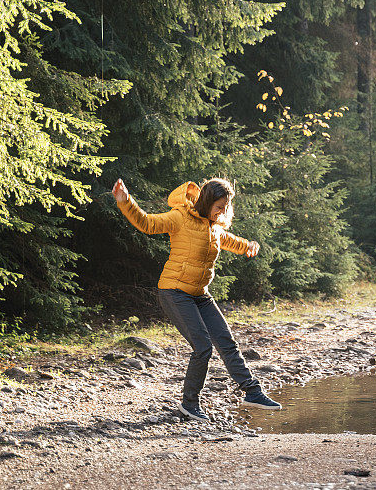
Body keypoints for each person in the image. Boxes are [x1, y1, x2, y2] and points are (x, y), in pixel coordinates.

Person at [112, 177, 281, 421]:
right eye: (219, 206)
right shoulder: (180, 217)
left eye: (226, 207)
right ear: (207, 201)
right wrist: (125, 201)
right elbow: (147, 223)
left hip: (200, 294)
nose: (222, 212)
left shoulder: (215, 227)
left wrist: (247, 246)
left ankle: (252, 392)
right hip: (174, 292)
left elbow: (229, 240)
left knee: (227, 342)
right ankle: (189, 404)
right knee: (203, 347)